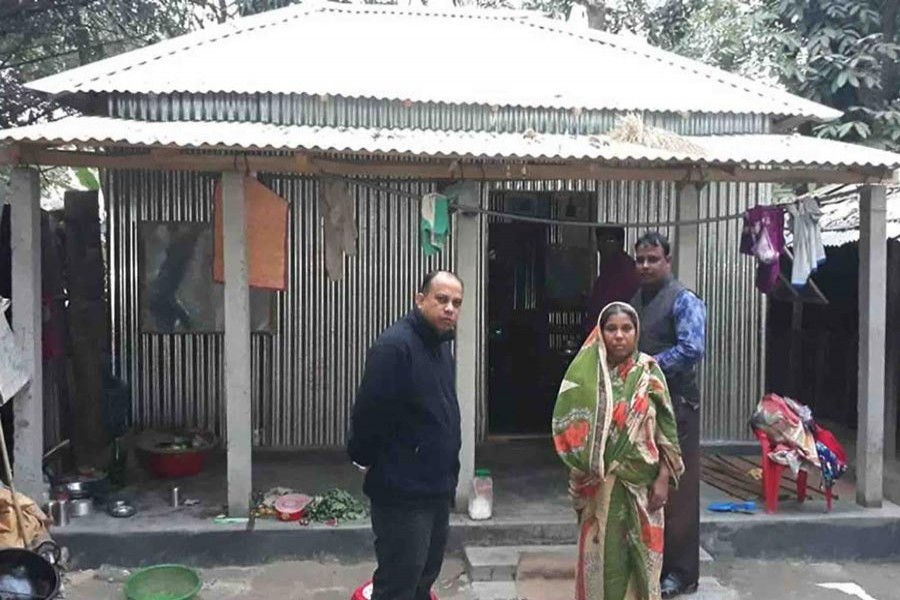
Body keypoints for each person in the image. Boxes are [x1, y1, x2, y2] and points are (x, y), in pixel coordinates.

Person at [552, 301, 684, 600]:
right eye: (611, 329)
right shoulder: (587, 377)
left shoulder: (649, 374)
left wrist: (663, 477)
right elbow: (571, 428)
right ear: (601, 333)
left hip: (644, 487)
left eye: (627, 328)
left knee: (644, 565)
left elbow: (667, 433)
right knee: (601, 563)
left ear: (637, 332)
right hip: (600, 487)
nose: (619, 336)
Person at [347, 270, 464, 600]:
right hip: (402, 492)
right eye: (441, 299)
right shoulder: (395, 347)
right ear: (419, 299)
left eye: (456, 303)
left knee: (424, 578)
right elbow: (369, 413)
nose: (449, 308)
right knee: (399, 581)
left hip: (436, 487)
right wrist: (364, 459)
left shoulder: (441, 348)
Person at [630, 232, 707, 599]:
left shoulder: (683, 300)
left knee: (678, 487)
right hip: (644, 405)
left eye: (652, 259)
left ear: (668, 261)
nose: (645, 265)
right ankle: (653, 564)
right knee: (648, 483)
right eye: (640, 259)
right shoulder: (637, 301)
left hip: (677, 405)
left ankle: (681, 574)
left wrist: (648, 367)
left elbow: (692, 349)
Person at [584, 227, 640, 337]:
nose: (602, 245)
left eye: (609, 240)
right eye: (600, 241)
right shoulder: (606, 270)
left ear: (621, 243)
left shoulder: (628, 271)